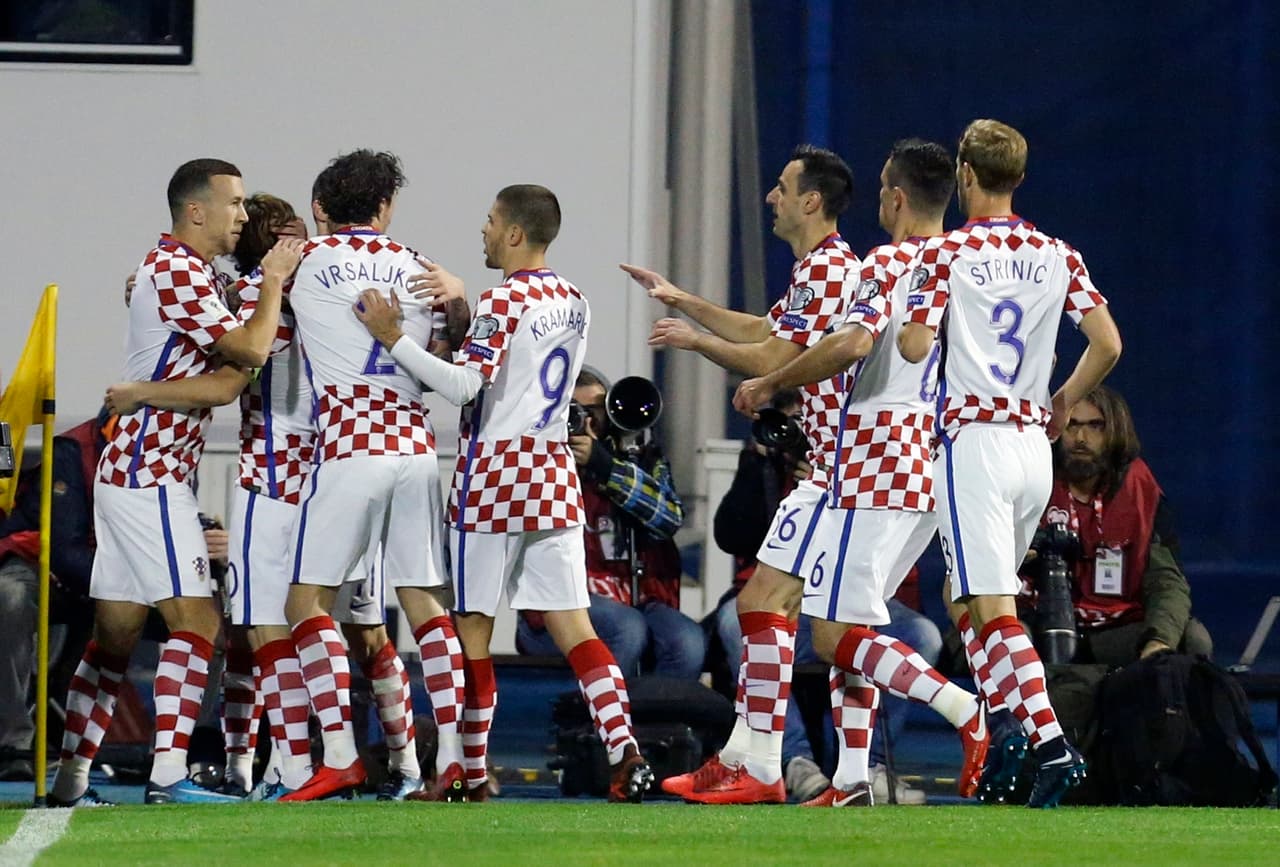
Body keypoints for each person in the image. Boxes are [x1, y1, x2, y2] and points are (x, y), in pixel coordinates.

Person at [352, 183, 655, 803]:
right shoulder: (574, 299)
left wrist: (394, 339)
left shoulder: (505, 300)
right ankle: (624, 750)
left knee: (471, 633)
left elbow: (466, 386)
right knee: (576, 627)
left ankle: (464, 771)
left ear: (515, 233)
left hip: (495, 475)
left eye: (491, 222)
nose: (484, 231)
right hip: (553, 474)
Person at [719, 138, 985, 807]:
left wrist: (774, 381)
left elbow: (854, 341)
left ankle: (963, 709)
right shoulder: (967, 266)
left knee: (835, 634)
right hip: (935, 457)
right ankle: (852, 779)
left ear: (895, 197)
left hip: (875, 458)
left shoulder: (887, 260)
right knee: (851, 624)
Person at [48, 158, 303, 808]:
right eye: (235, 203)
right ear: (197, 211)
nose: (242, 215)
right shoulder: (180, 271)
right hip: (151, 472)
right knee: (200, 621)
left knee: (116, 636)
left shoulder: (177, 273)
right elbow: (244, 356)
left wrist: (143, 388)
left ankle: (71, 778)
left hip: (137, 467)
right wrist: (273, 283)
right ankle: (167, 774)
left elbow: (218, 377)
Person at [897, 119, 1123, 808]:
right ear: (1019, 178)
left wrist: (908, 318)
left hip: (976, 442)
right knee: (962, 598)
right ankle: (1009, 739)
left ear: (965, 173)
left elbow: (911, 347)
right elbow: (1107, 343)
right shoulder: (1058, 253)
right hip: (1033, 448)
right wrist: (1064, 398)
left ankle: (1052, 745)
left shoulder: (947, 253)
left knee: (992, 607)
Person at [711, 388, 942, 805]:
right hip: (787, 604)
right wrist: (759, 467)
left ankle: (866, 767)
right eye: (791, 422)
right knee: (735, 622)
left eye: (806, 420)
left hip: (850, 595)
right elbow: (729, 535)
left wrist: (831, 490)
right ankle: (794, 760)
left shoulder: (861, 457)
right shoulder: (767, 464)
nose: (800, 432)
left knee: (922, 633)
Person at [515, 367, 704, 679]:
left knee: (687, 642)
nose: (584, 422)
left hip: (636, 599)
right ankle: (602, 724)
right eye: (572, 411)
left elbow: (669, 518)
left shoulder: (637, 459)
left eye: (593, 411)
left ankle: (653, 724)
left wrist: (605, 466)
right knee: (627, 629)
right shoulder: (534, 460)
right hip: (556, 608)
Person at [1020, 386, 1211, 664]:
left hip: (1110, 630)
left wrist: (1159, 642)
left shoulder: (1141, 490)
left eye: (1095, 426)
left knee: (1191, 639)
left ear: (1115, 431)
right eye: (1072, 426)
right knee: (991, 641)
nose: (1081, 438)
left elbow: (1166, 581)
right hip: (1034, 624)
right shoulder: (1029, 474)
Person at [0, 413, 106, 781]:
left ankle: (191, 749)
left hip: (110, 571)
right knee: (9, 595)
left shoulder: (171, 451)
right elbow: (63, 547)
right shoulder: (71, 449)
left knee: (198, 608)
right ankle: (14, 740)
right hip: (41, 561)